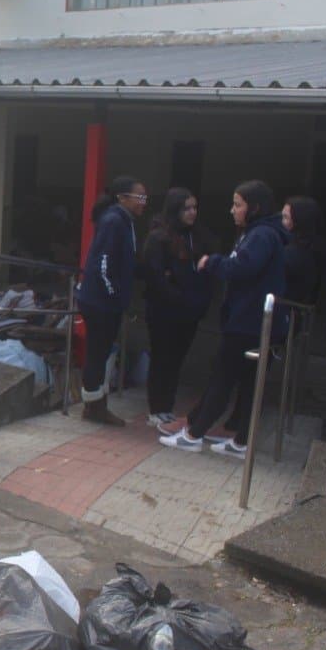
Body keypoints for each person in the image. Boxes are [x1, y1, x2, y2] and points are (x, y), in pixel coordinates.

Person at [160, 180, 288, 459]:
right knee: (247, 383)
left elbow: (243, 267)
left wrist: (213, 263)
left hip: (249, 321)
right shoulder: (258, 232)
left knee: (223, 377)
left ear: (254, 207)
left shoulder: (262, 235)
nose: (232, 210)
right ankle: (241, 442)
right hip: (252, 319)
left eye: (238, 204)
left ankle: (194, 435)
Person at [75, 176, 147, 426]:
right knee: (97, 353)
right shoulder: (114, 221)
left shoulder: (124, 221)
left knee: (103, 352)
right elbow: (103, 264)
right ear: (122, 198)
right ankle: (94, 407)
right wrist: (114, 295)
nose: (143, 202)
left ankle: (97, 403)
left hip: (106, 301)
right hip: (100, 301)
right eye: (140, 197)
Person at [142, 188, 214, 428]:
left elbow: (205, 272)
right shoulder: (159, 238)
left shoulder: (198, 237)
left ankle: (167, 405)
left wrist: (199, 301)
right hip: (164, 311)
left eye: (194, 207)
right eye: (186, 208)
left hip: (190, 312)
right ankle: (156, 407)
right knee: (162, 357)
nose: (192, 212)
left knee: (176, 360)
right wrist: (178, 295)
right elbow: (155, 276)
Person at [282, 196, 326, 307]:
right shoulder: (317, 247)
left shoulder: (293, 253)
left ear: (299, 221)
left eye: (286, 217)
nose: (282, 222)